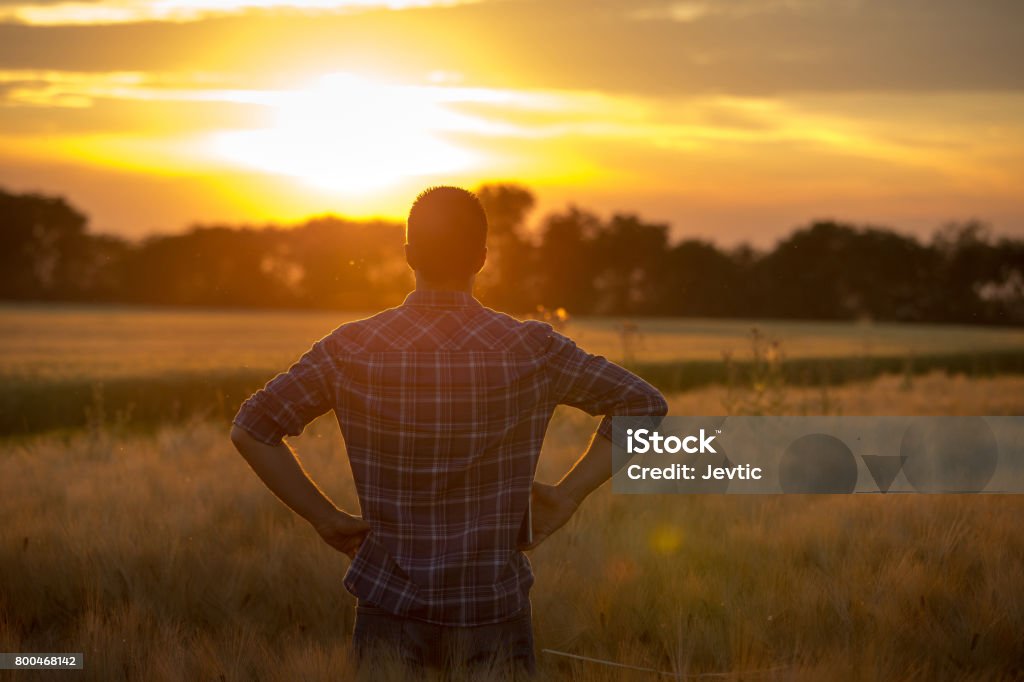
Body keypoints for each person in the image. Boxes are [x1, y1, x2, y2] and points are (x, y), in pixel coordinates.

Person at [229, 186, 668, 676]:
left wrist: (325, 518)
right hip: (493, 610)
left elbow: (252, 429)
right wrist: (569, 494)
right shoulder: (533, 348)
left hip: (388, 608)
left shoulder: (350, 348)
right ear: (482, 259)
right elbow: (644, 404)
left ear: (409, 255)